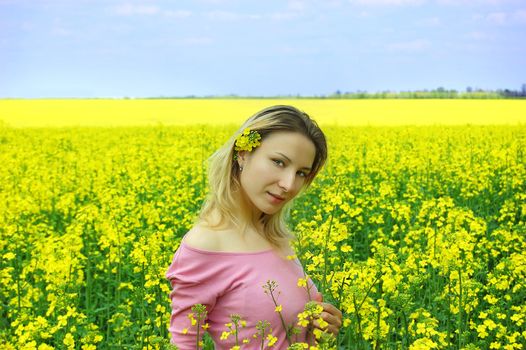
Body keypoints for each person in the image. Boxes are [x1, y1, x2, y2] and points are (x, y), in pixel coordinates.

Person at [165, 105, 342, 349]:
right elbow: (183, 342)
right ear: (243, 153)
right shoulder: (206, 244)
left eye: (301, 173)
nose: (289, 184)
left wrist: (320, 328)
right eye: (279, 162)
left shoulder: (276, 238)